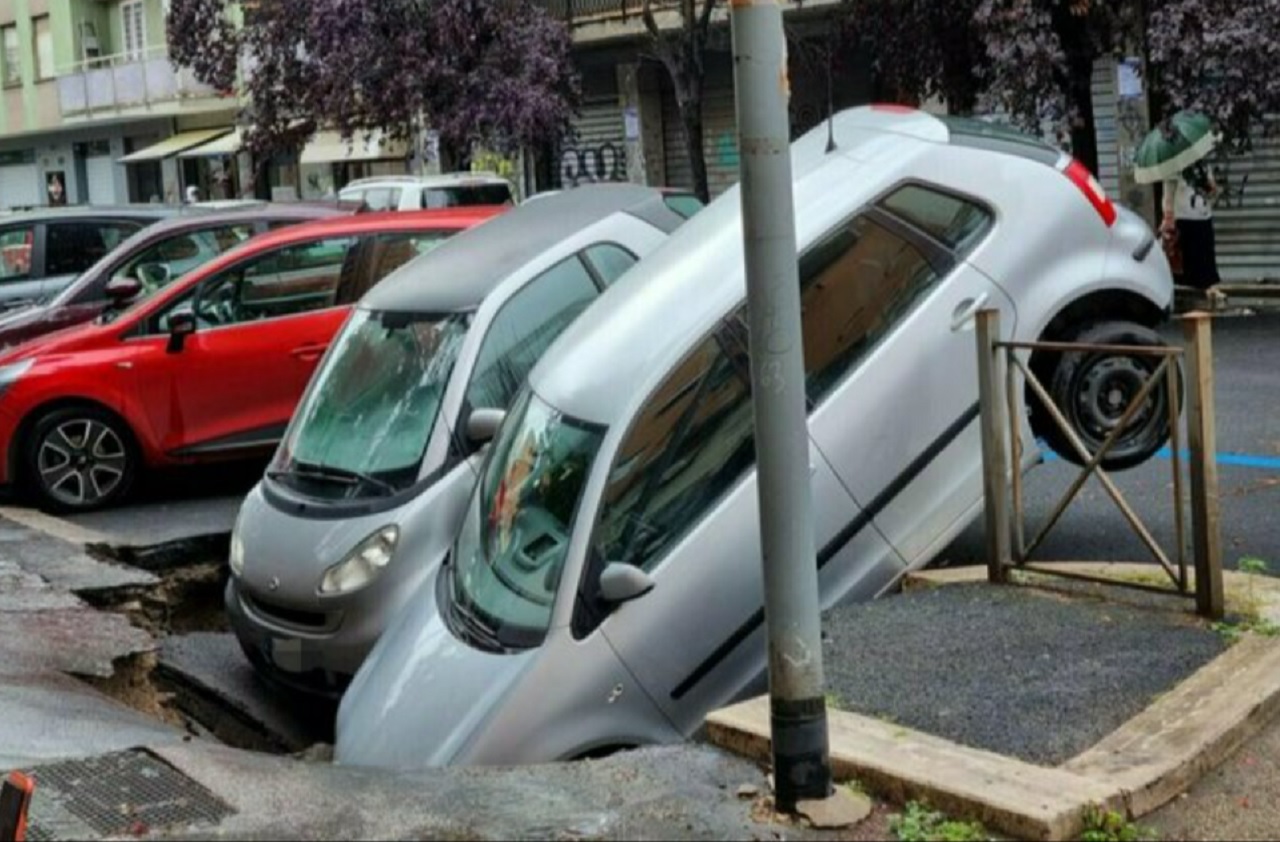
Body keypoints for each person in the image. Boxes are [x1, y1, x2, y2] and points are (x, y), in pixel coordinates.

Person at [1161, 162, 1221, 294]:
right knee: (1186, 269)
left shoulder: (1204, 166)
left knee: (1205, 269)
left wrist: (1213, 190)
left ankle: (1203, 300)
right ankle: (1187, 302)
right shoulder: (1173, 166)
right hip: (1184, 221)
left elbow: (1212, 195)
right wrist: (1168, 216)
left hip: (1204, 219)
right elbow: (1168, 195)